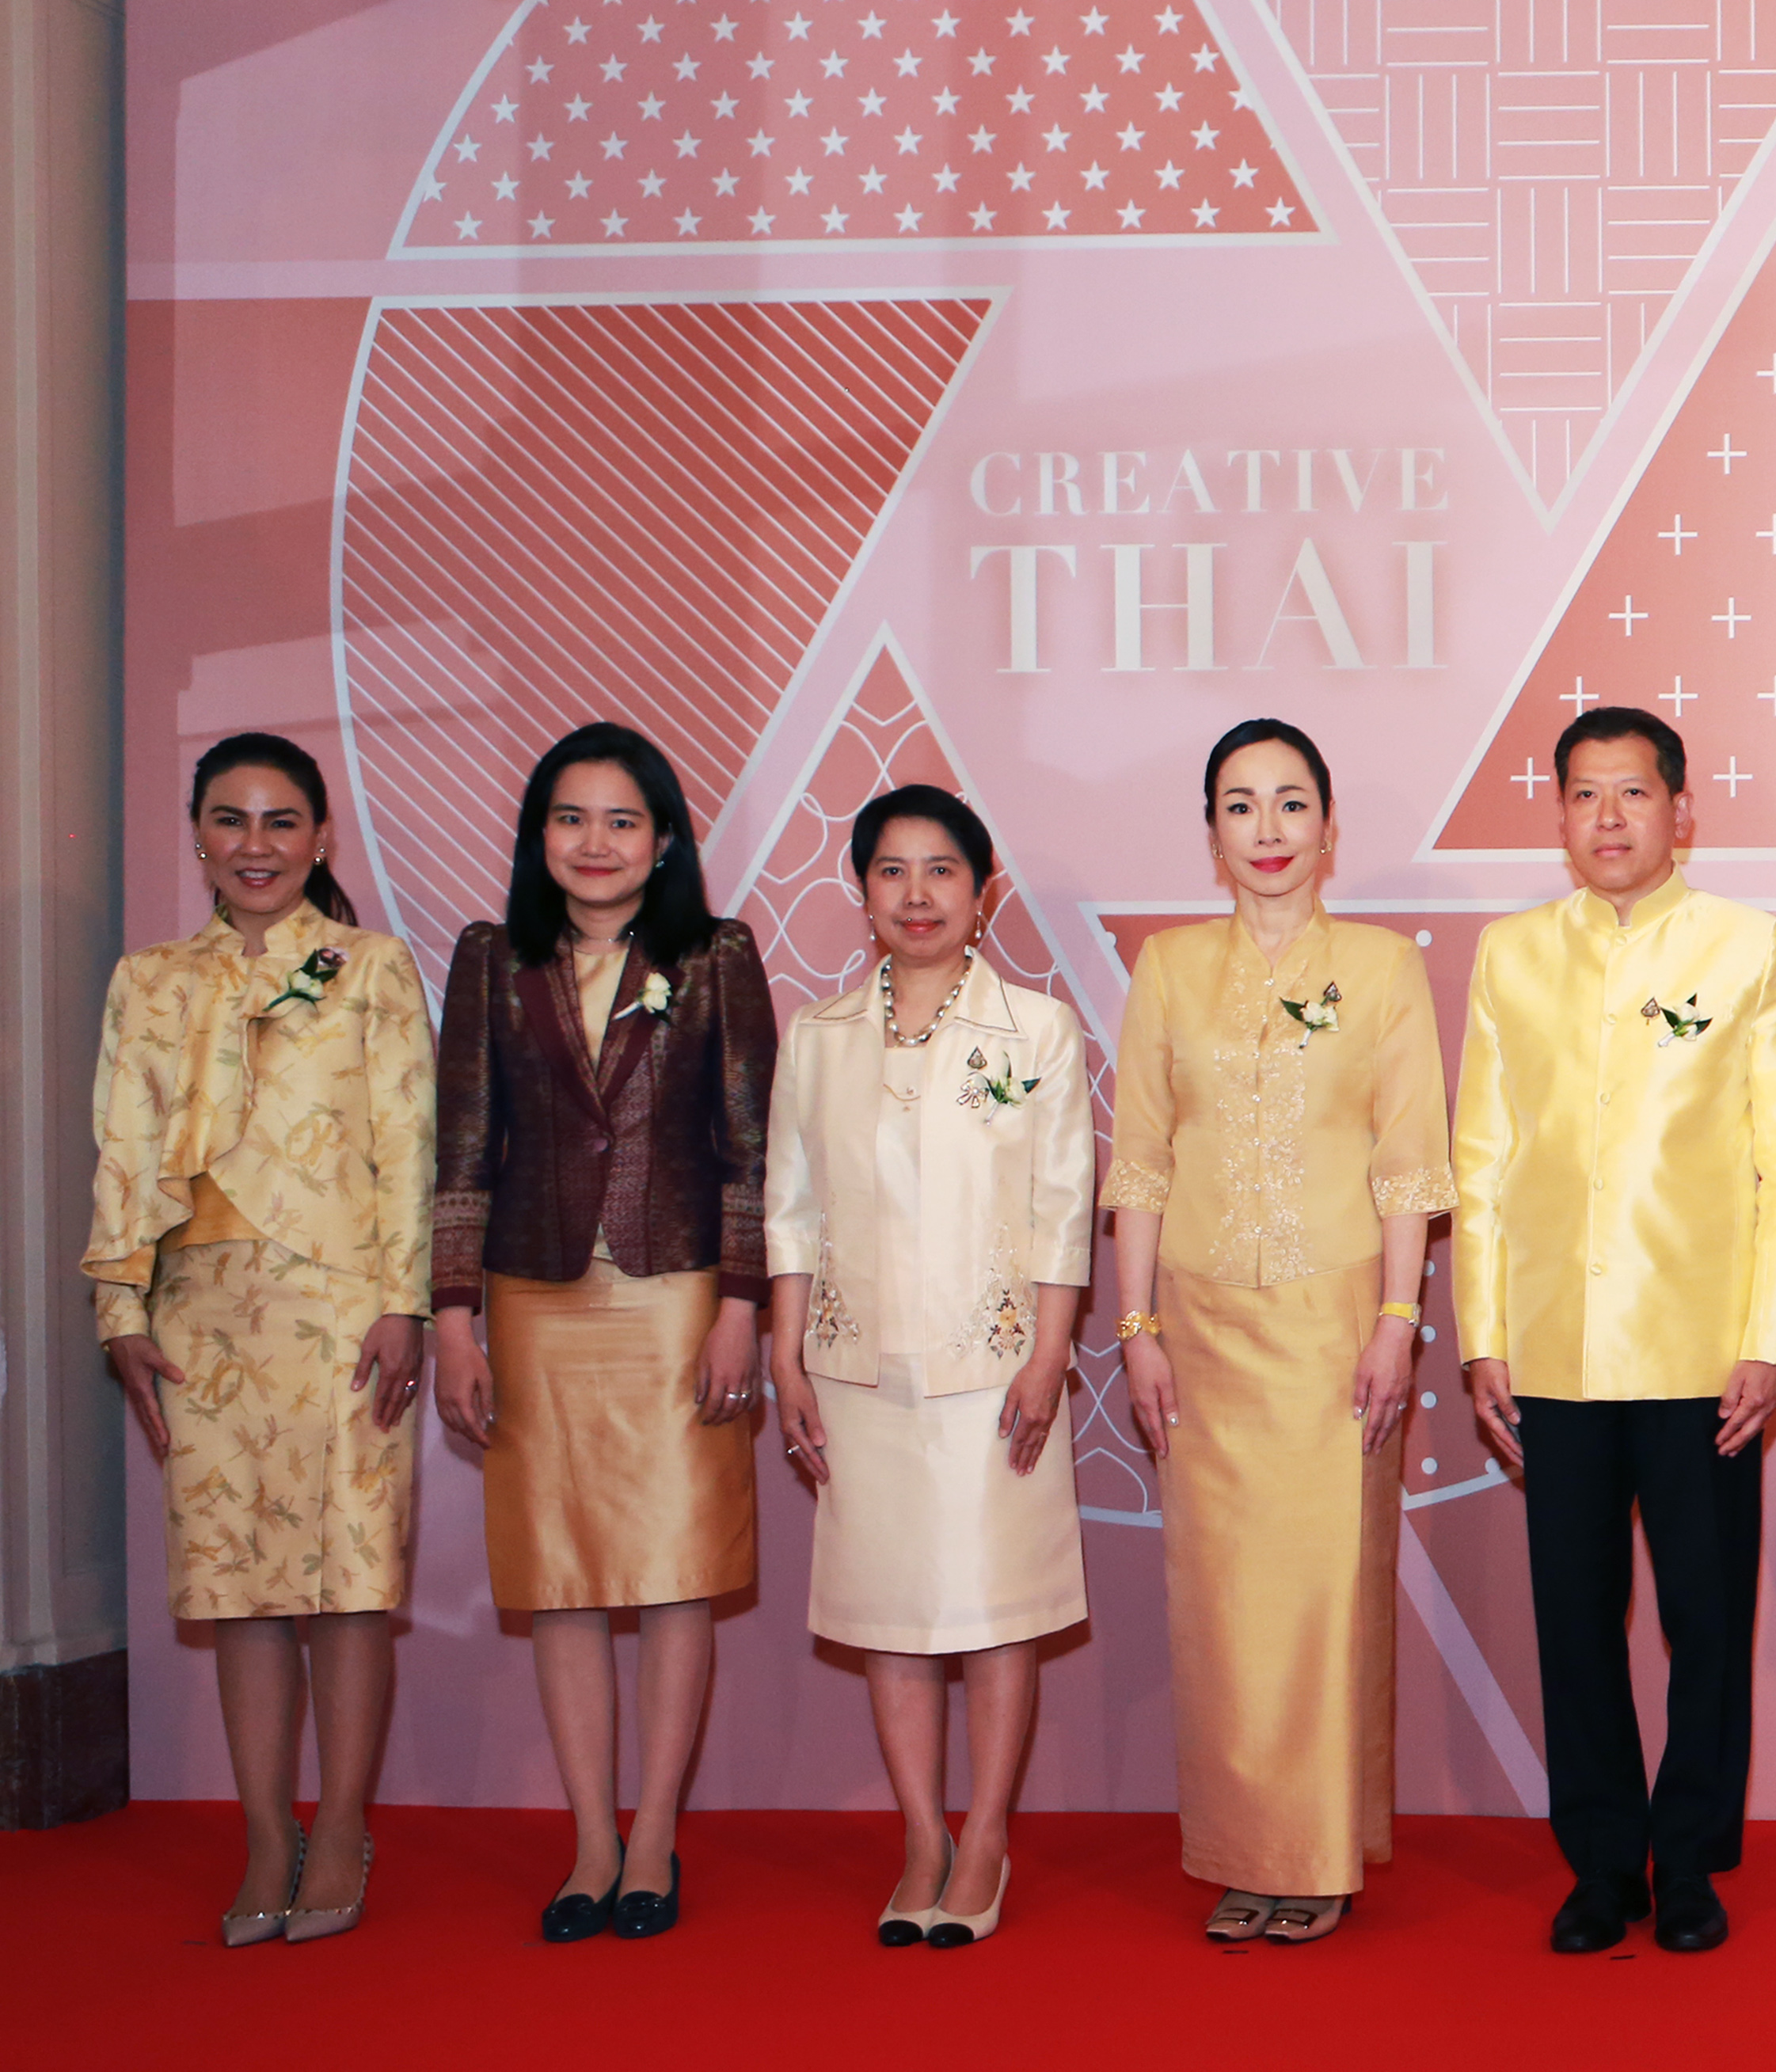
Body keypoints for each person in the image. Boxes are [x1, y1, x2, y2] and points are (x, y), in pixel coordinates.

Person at [1450, 707, 1776, 1957]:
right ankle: (1602, 1863)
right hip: (1553, 1352)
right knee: (1575, 1620)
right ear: (1557, 816)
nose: (1608, 819)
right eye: (1584, 796)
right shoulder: (1510, 955)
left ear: (1681, 811)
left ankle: (1691, 1860)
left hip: (1699, 1354)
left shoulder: (1743, 947)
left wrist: (1771, 1339)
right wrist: (1482, 1335)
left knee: (1706, 1621)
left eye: (1633, 794)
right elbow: (1485, 1158)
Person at [428, 720, 778, 1943]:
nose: (595, 842)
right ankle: (588, 1842)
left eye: (622, 820)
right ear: (538, 838)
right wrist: (454, 1319)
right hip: (533, 1299)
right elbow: (461, 1149)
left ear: (665, 839)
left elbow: (751, 1152)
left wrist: (743, 1304)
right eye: (570, 818)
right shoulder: (490, 962)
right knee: (562, 1581)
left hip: (676, 1293)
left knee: (678, 1579)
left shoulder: (716, 955)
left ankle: (656, 1839)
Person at [1103, 718, 1448, 1945]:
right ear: (1210, 832)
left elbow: (1411, 1167)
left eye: (1290, 804)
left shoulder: (1384, 968)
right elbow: (1139, 1164)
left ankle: (1315, 1854)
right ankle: (1247, 1851)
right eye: (1240, 806)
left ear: (1328, 826)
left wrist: (1399, 1323)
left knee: (1322, 1595)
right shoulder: (1167, 969)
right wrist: (1136, 1329)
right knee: (1220, 1601)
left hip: (1333, 1324)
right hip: (1196, 1327)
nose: (1266, 831)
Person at [86, 733, 432, 1945]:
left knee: (346, 1583)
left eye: (281, 822)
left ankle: (339, 1826)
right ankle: (261, 1836)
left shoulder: (370, 969)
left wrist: (406, 1300)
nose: (256, 846)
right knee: (238, 1594)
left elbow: (408, 1146)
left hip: (342, 1306)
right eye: (230, 820)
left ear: (321, 837)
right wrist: (119, 1306)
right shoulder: (150, 980)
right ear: (196, 834)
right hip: (200, 1309)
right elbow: (123, 1150)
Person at [766, 785, 1094, 1949]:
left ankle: (989, 1834)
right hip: (857, 1372)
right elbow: (791, 1211)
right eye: (893, 871)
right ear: (861, 892)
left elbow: (1064, 1209)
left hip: (997, 1369)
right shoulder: (816, 1038)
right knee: (892, 1618)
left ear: (984, 888)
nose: (917, 895)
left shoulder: (1037, 1032)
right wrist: (787, 1354)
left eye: (942, 870)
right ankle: (921, 1836)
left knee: (998, 1617)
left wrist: (1050, 1355)